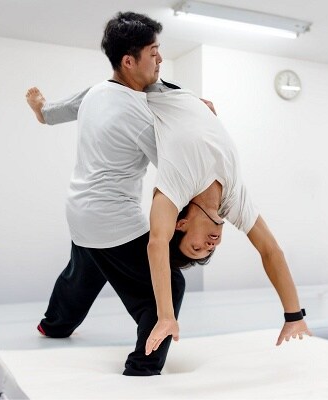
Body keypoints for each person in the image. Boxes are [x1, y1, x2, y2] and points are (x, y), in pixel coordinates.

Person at [27, 56, 312, 360]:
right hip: (169, 116)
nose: (210, 246)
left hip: (151, 119)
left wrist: (165, 316)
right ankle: (58, 324)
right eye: (206, 251)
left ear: (181, 224)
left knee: (88, 264)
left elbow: (157, 243)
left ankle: (67, 330)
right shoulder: (234, 200)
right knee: (89, 262)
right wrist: (293, 314)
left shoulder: (176, 185)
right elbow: (270, 250)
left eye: (196, 247)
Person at [32, 11, 192, 377]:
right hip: (111, 218)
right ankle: (143, 367)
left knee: (84, 272)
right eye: (153, 52)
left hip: (79, 210)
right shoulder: (139, 115)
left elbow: (57, 112)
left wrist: (41, 109)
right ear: (129, 61)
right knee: (168, 284)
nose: (160, 59)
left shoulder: (96, 92)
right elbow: (176, 169)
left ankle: (53, 325)